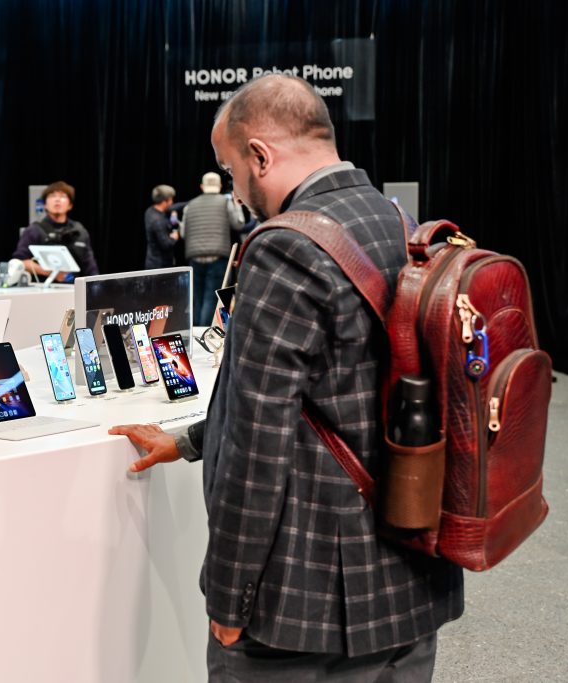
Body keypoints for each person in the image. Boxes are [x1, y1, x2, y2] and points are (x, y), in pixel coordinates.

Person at [109, 74, 463, 681]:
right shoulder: (403, 223)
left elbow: (258, 441)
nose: (236, 191)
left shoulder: (284, 246)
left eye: (230, 168)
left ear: (260, 156)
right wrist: (189, 440)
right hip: (412, 579)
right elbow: (340, 391)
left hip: (308, 607)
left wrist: (229, 598)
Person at [181, 171, 244, 325]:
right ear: (220, 186)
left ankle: (195, 333)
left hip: (194, 257)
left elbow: (183, 233)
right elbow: (239, 224)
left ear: (202, 186)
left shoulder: (190, 205)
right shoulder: (225, 202)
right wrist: (237, 204)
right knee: (212, 299)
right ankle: (204, 334)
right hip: (218, 256)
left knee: (197, 300)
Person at [13, 181, 99, 281]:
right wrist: (51, 273)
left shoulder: (79, 231)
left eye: (63, 196)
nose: (57, 200)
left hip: (75, 287)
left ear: (70, 205)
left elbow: (90, 266)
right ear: (45, 205)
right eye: (52, 196)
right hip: (42, 288)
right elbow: (20, 262)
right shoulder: (34, 230)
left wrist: (96, 285)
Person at [143, 184, 179, 269]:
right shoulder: (157, 221)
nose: (172, 202)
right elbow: (166, 244)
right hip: (160, 266)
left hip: (152, 261)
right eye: (171, 199)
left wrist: (173, 219)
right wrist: (174, 237)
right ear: (164, 201)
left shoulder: (150, 211)